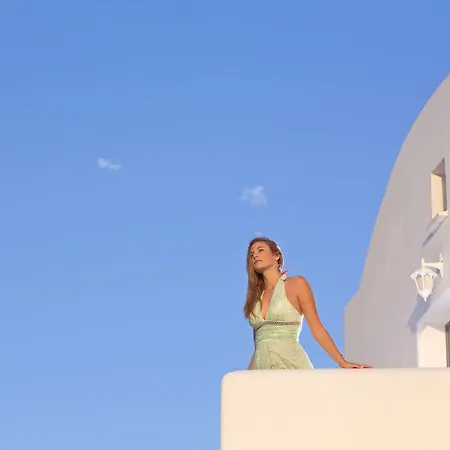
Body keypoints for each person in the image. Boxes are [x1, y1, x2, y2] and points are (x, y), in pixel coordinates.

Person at [245, 237, 372, 370]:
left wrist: (342, 362)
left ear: (276, 256)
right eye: (251, 254)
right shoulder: (255, 297)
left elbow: (317, 328)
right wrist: (247, 376)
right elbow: (258, 346)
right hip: (261, 369)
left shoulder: (297, 284)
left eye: (260, 250)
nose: (255, 256)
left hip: (291, 365)